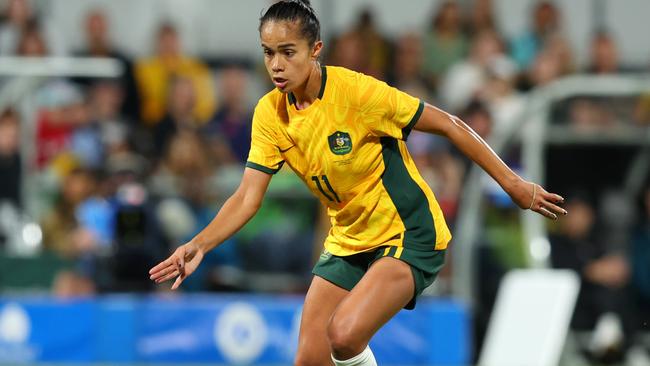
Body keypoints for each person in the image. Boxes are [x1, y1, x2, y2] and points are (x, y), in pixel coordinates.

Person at [149, 1, 567, 365]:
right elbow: (246, 197)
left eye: (287, 52)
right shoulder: (269, 114)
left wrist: (513, 184)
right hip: (349, 239)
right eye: (268, 53)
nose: (276, 65)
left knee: (345, 336)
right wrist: (197, 244)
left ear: (315, 50)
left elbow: (453, 125)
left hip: (407, 233)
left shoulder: (358, 94)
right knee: (310, 359)